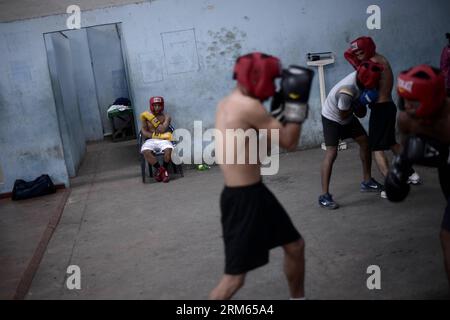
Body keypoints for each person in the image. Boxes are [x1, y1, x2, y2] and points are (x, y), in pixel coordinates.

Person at [209, 52, 314, 300]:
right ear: (259, 78)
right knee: (234, 279)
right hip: (244, 200)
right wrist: (296, 105)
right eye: (272, 81)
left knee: (295, 246)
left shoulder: (227, 103)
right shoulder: (249, 107)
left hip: (252, 192)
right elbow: (290, 142)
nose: (274, 87)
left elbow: (258, 151)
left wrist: (277, 115)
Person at [385, 65, 450, 286]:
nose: (408, 107)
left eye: (415, 100)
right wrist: (399, 172)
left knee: (447, 236)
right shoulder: (406, 119)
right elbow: (406, 154)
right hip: (446, 176)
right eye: (405, 99)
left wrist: (441, 155)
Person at [345, 36, 421, 192]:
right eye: (356, 52)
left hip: (380, 109)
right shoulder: (379, 58)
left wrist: (357, 103)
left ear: (368, 49)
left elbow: (371, 94)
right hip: (388, 107)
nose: (358, 55)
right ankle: (412, 174)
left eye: (361, 51)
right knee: (392, 143)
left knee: (376, 148)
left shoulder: (373, 65)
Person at [318, 60, 384, 209]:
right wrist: (359, 102)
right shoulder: (347, 91)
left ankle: (367, 181)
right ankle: (324, 196)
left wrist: (364, 103)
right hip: (332, 117)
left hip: (347, 115)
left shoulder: (364, 79)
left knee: (365, 142)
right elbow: (342, 115)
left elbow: (360, 114)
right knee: (332, 152)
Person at [140, 96, 173, 183]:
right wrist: (153, 136)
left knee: (168, 151)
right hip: (150, 140)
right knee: (145, 151)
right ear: (151, 106)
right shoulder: (145, 117)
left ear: (162, 106)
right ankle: (163, 172)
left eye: (159, 105)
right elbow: (143, 131)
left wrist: (152, 118)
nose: (157, 108)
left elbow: (162, 129)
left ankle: (160, 172)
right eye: (155, 105)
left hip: (164, 139)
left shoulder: (167, 117)